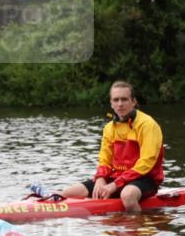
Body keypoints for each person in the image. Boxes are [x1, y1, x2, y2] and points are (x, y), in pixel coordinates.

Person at [59, 81, 164, 213]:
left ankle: (137, 228)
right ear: (111, 103)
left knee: (127, 196)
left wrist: (114, 185)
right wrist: (100, 179)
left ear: (133, 102)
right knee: (67, 193)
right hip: (116, 179)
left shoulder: (148, 125)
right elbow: (104, 160)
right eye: (116, 100)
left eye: (124, 99)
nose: (120, 104)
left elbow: (146, 162)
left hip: (145, 179)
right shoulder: (109, 128)